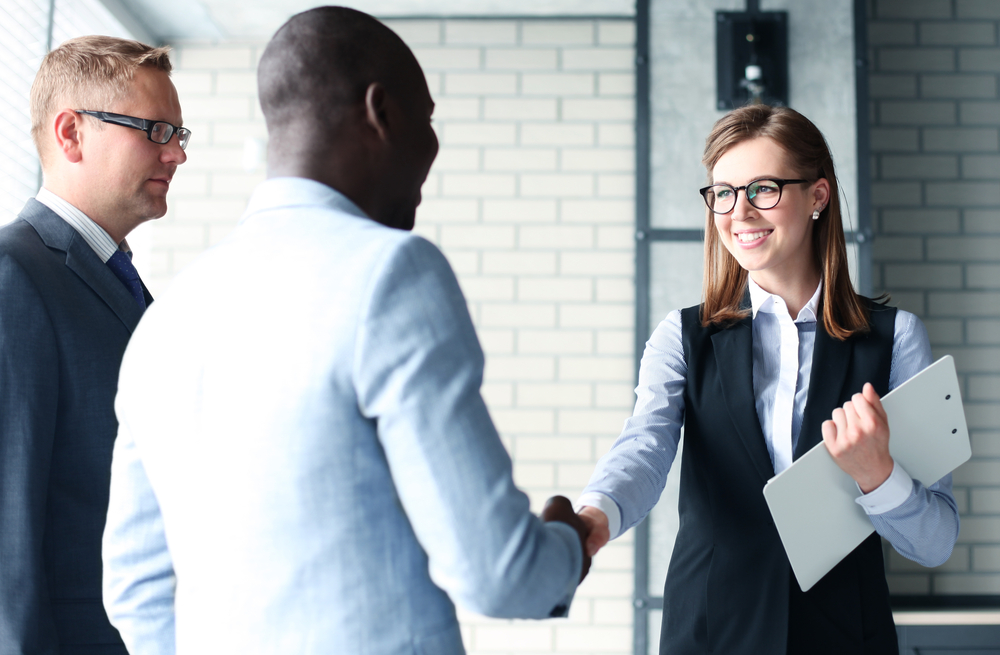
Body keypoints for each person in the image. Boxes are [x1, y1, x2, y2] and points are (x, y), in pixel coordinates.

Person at [101, 7, 589, 654]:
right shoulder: (391, 273)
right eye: (429, 118)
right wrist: (567, 541)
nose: (432, 147)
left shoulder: (166, 319)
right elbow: (499, 574)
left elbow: (135, 589)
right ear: (380, 111)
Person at [575, 105, 959, 655]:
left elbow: (937, 541)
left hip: (846, 637)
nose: (739, 212)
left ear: (818, 196)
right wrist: (594, 517)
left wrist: (879, 475)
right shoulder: (683, 336)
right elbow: (645, 446)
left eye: (763, 189)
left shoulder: (895, 338)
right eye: (723, 193)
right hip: (711, 633)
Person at [0, 36, 187, 653]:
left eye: (180, 135)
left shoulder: (121, 284)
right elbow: (9, 525)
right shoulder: (14, 275)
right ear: (71, 133)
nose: (176, 155)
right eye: (156, 130)